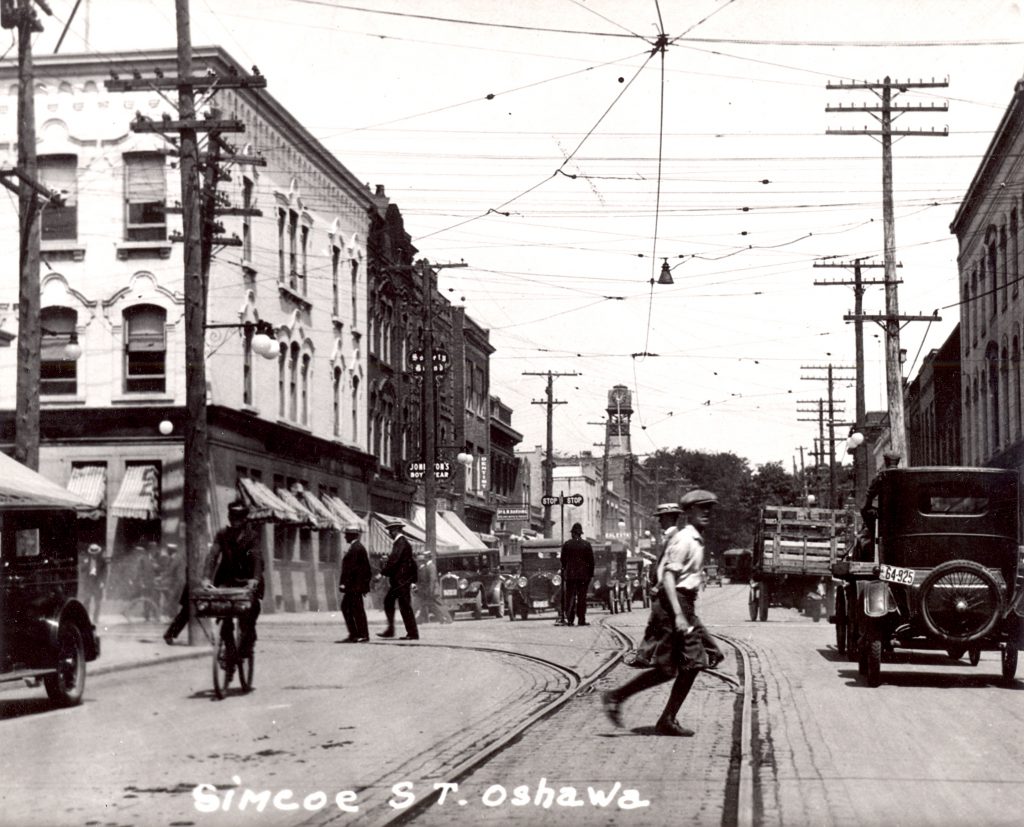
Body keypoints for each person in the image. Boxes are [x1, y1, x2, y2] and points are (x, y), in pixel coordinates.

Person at [602, 489, 726, 737]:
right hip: (674, 606)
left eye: (709, 509)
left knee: (682, 665)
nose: (707, 513)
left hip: (682, 605)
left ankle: (620, 698)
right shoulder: (685, 540)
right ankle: (662, 718)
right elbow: (669, 577)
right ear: (688, 512)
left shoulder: (695, 539)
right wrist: (679, 615)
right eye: (702, 508)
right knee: (689, 664)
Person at [202, 501, 264, 661]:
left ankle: (247, 645)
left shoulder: (252, 536)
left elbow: (257, 558)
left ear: (244, 519)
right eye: (232, 516)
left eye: (238, 517)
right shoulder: (222, 534)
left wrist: (255, 578)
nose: (234, 520)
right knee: (223, 612)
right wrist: (206, 577)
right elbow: (212, 556)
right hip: (227, 580)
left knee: (249, 614)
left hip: (248, 580)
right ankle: (229, 650)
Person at [378, 520, 419, 640]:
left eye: (390, 531)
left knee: (404, 606)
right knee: (390, 602)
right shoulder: (401, 543)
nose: (389, 533)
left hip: (401, 581)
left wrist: (382, 574)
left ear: (396, 530)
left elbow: (394, 560)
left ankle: (411, 633)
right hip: (400, 581)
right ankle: (392, 630)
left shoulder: (400, 543)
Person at [338, 525, 371, 642]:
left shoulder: (357, 548)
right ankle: (356, 634)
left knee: (355, 610)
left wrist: (345, 584)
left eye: (346, 534)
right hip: (354, 587)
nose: (345, 537)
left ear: (352, 535)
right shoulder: (356, 547)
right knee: (349, 608)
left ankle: (361, 635)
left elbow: (353, 570)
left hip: (354, 587)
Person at [559, 522, 594, 627]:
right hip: (583, 576)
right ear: (581, 533)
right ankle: (581, 619)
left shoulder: (567, 544)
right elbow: (591, 562)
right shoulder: (586, 545)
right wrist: (590, 575)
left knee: (570, 597)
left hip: (570, 576)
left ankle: (570, 619)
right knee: (582, 598)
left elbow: (563, 560)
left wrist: (565, 571)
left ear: (573, 533)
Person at [415, 551, 452, 624]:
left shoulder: (431, 566)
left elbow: (432, 579)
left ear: (428, 558)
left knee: (439, 605)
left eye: (425, 557)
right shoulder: (429, 566)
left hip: (433, 590)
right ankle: (442, 619)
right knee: (427, 604)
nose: (424, 559)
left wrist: (430, 590)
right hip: (431, 589)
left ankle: (448, 619)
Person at [78, 543, 108, 623]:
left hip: (98, 582)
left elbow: (104, 572)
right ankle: (85, 618)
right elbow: (82, 570)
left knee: (97, 602)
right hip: (89, 582)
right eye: (92, 553)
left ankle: (95, 618)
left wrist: (102, 582)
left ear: (98, 553)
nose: (94, 555)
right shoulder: (87, 559)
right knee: (87, 601)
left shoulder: (102, 561)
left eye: (95, 553)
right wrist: (85, 563)